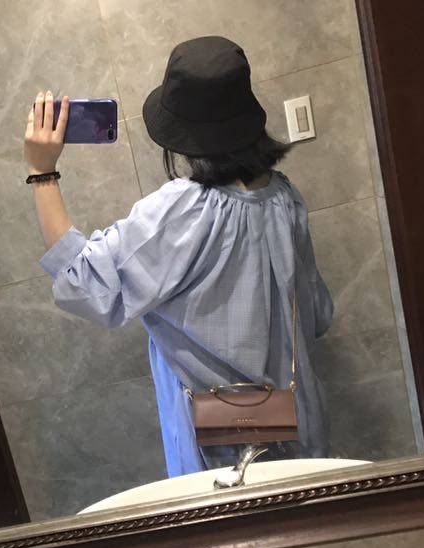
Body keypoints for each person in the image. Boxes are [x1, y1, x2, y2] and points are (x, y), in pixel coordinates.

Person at [23, 36, 333, 477]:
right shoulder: (285, 196)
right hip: (302, 426)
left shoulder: (185, 210)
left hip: (225, 453)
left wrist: (42, 172)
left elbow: (86, 283)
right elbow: (317, 314)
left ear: (182, 134)